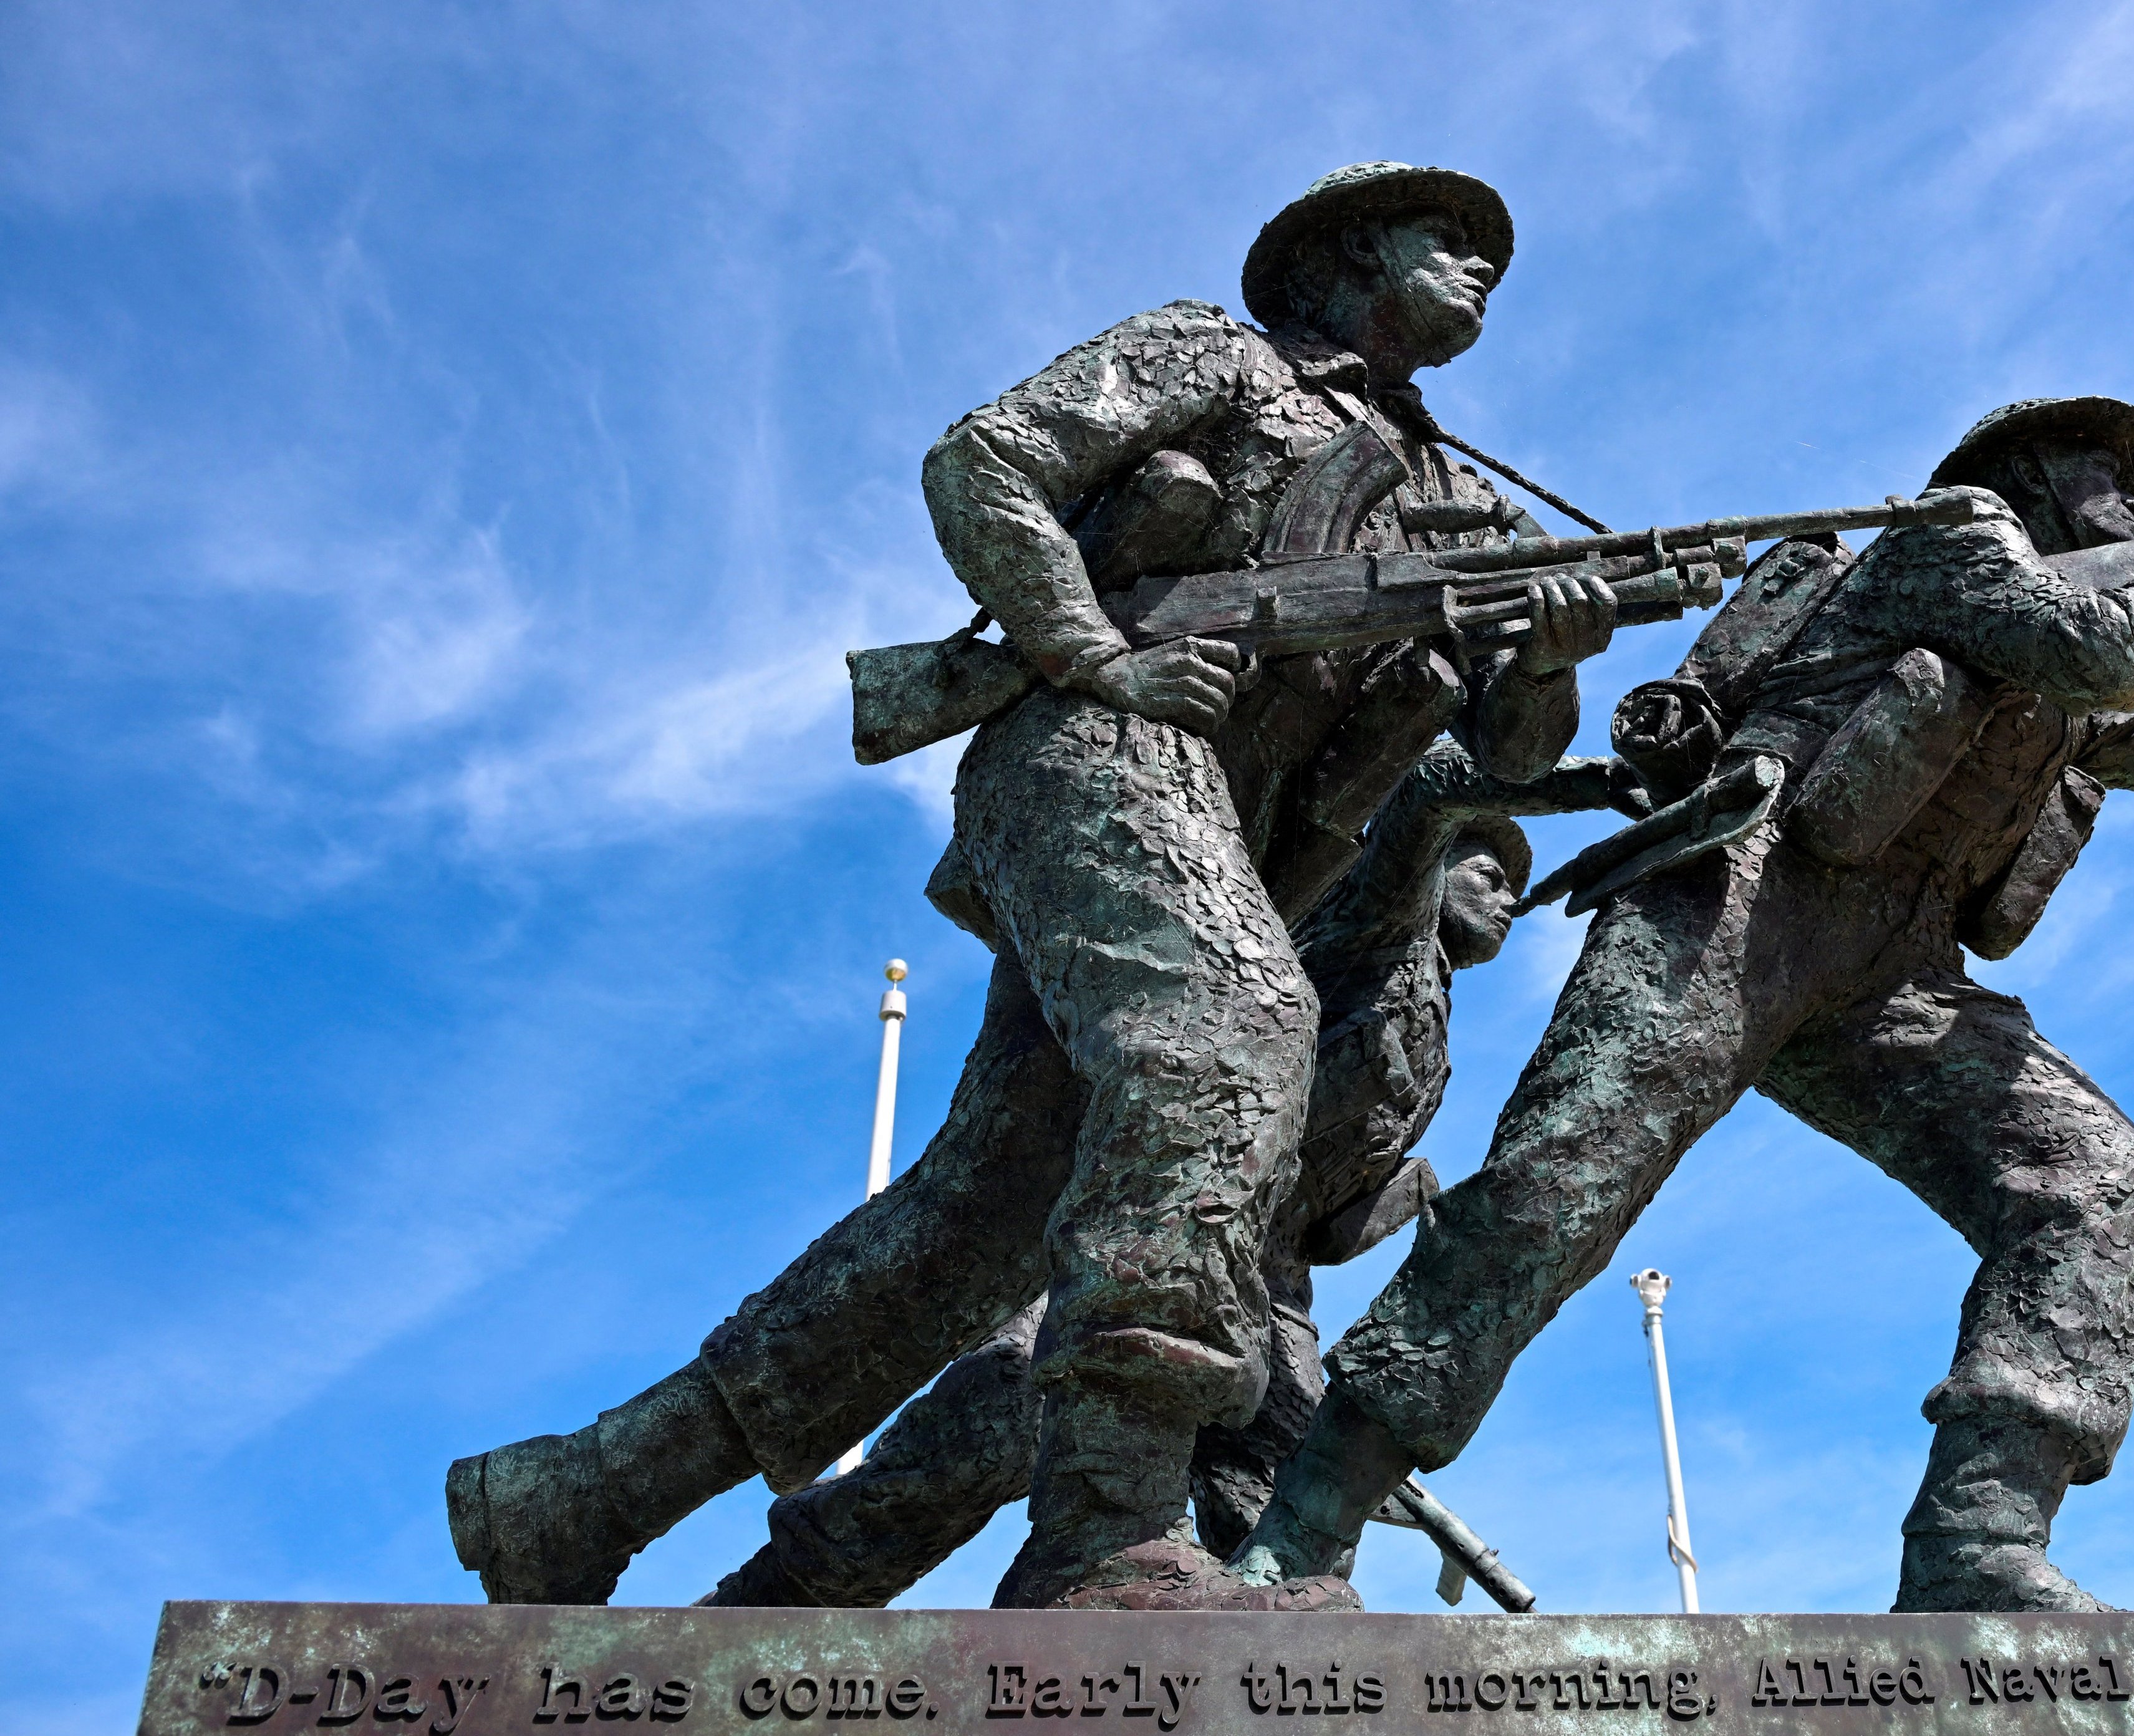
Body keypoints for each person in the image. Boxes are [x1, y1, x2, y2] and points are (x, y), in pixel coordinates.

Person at [446, 162, 1625, 1611]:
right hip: (1097, 748)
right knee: (1234, 1040)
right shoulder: (1218, 357)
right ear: (1347, 253)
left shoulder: (1456, 493)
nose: (1484, 263)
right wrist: (1090, 649)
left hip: (1235, 837)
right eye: (1450, 237)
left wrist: (1556, 653)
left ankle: (582, 1497)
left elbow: (1501, 751)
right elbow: (986, 460)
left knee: (975, 1230)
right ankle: (1104, 1529)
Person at [1225, 398, 2134, 1614]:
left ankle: (1978, 1544)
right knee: (1555, 1189)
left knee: (2099, 1190)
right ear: (2033, 474)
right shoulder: (1952, 541)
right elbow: (2102, 647)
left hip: (1899, 967)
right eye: (2112, 474)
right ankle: (1305, 1528)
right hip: (1740, 893)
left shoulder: (2093, 661)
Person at [700, 748, 1608, 1608]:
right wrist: (1595, 781)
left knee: (1296, 1490)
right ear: (1436, 866)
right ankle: (761, 1607)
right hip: (1170, 1231)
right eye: (1493, 876)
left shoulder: (1435, 1036)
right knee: (979, 1437)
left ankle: (1240, 1681)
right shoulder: (1379, 927)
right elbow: (1423, 794)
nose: (1512, 901)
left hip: (1268, 1285)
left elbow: (1323, 1231)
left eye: (1518, 888)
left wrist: (1410, 1191)